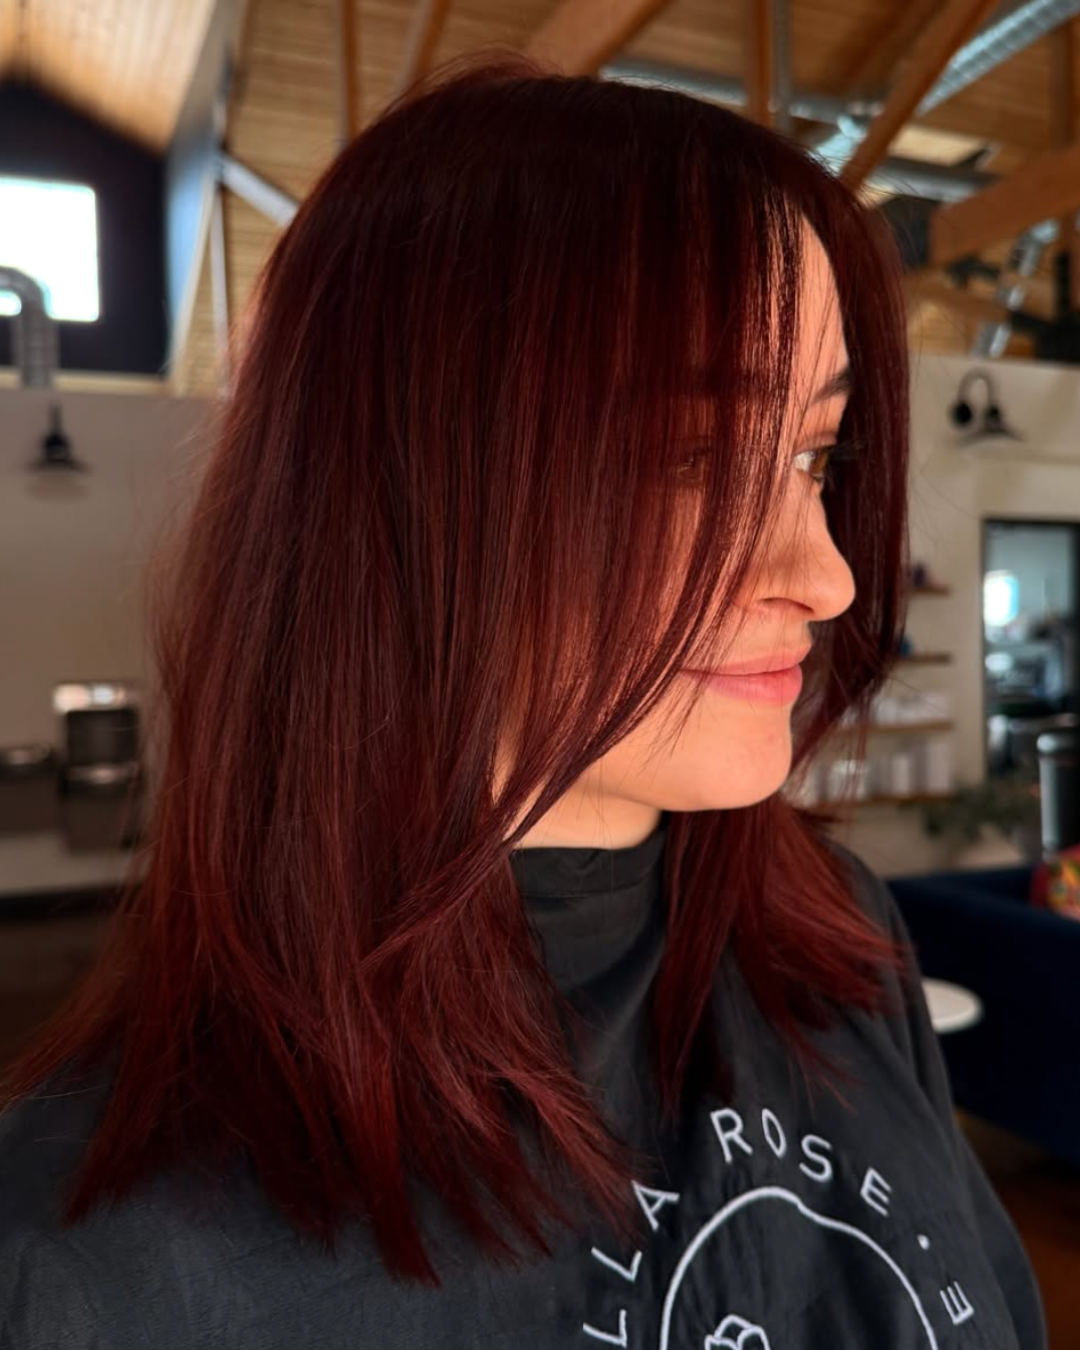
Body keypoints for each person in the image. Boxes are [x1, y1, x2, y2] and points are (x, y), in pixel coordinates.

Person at [0, 54, 1046, 1349]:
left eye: (815, 457)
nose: (827, 575)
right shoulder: (102, 1263)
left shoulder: (839, 947)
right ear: (413, 484)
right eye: (691, 458)